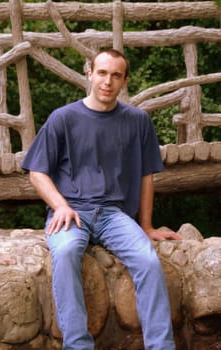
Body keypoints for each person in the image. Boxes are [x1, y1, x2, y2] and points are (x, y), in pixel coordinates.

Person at [22, 49, 182, 350]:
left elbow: (147, 176)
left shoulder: (138, 121)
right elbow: (37, 173)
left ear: (125, 81)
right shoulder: (63, 118)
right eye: (103, 73)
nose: (108, 81)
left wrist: (146, 226)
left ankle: (161, 346)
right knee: (67, 252)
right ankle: (78, 346)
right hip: (71, 212)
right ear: (90, 73)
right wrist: (60, 205)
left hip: (113, 215)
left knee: (148, 260)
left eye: (116, 75)